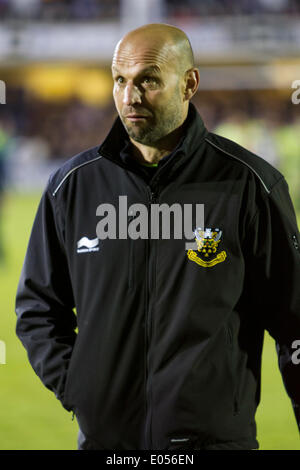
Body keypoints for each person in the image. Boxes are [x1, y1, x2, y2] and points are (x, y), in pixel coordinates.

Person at [15, 23, 300, 450]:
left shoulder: (251, 184)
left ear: (189, 83)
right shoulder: (71, 186)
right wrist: (80, 389)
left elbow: (295, 323)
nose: (129, 97)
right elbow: (38, 307)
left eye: (148, 80)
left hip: (214, 443)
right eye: (119, 80)